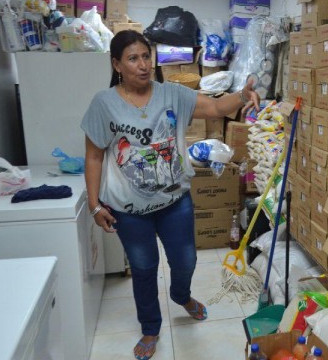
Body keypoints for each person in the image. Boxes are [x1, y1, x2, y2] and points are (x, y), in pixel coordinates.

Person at [81, 30, 260, 360]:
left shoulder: (173, 94)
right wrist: (93, 206)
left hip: (175, 201)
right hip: (129, 210)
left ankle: (181, 295)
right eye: (133, 58)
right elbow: (93, 156)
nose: (143, 65)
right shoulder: (104, 104)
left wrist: (242, 95)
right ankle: (150, 327)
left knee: (186, 260)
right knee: (144, 267)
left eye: (146, 56)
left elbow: (216, 106)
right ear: (117, 64)